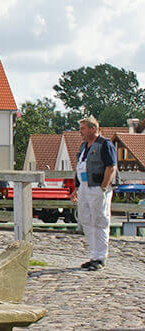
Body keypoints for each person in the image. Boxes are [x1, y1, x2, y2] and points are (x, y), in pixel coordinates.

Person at [71, 116, 117, 271]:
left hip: (97, 186)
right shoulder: (84, 147)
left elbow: (111, 166)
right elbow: (79, 168)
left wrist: (103, 187)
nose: (80, 132)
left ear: (93, 128)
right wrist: (76, 188)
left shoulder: (105, 144)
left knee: (99, 220)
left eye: (83, 129)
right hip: (84, 187)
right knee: (86, 219)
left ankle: (101, 257)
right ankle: (93, 254)